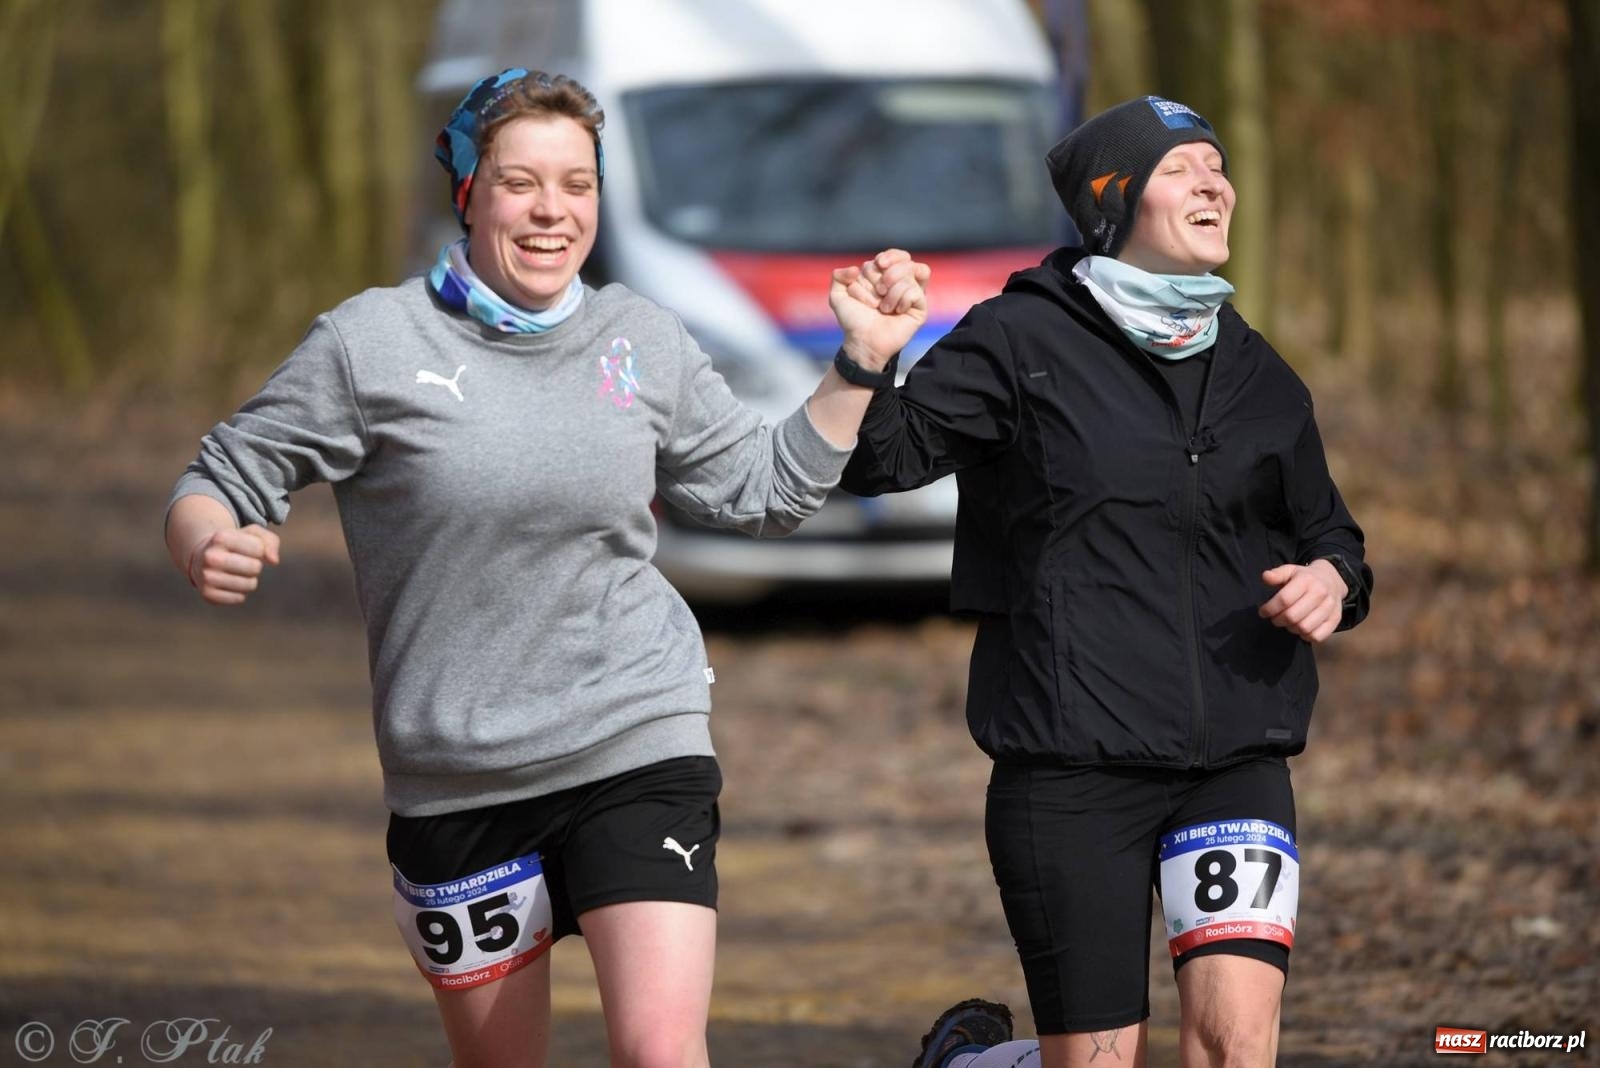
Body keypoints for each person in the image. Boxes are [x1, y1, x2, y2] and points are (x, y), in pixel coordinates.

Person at [163, 68, 928, 1068]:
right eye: (519, 182)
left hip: (634, 734)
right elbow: (220, 478)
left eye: (577, 183)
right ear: (468, 192)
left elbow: (762, 491)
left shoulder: (638, 337)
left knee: (660, 1051)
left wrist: (860, 363)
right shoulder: (371, 345)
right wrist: (206, 538)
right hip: (456, 778)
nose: (551, 210)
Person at [838, 97, 1374, 1068]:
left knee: (1235, 1046)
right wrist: (868, 361)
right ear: (1112, 200)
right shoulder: (1019, 340)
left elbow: (1332, 533)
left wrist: (1334, 579)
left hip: (1235, 756)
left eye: (1219, 166)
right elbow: (880, 460)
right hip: (1071, 764)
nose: (1214, 184)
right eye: (1181, 168)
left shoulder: (1257, 372)